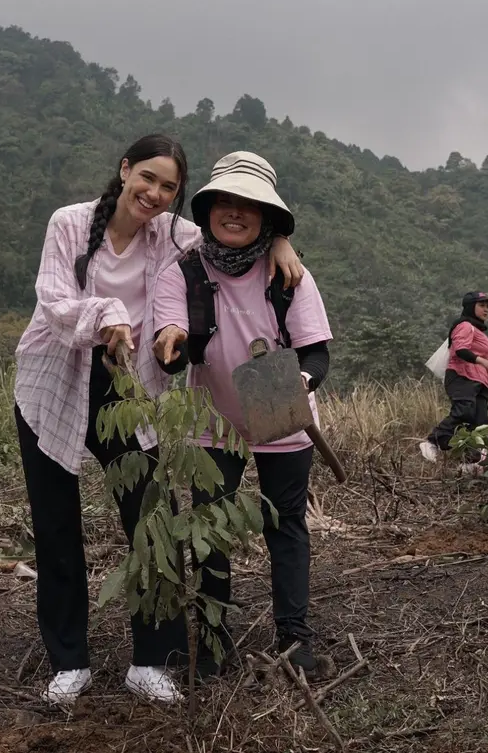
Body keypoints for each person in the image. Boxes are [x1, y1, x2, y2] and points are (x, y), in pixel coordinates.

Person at [14, 135, 304, 705]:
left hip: (133, 394)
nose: (153, 193)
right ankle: (68, 660)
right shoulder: (69, 224)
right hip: (53, 384)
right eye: (146, 177)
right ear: (124, 171)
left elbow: (235, 231)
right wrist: (111, 316)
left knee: (150, 523)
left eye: (168, 186)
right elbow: (53, 299)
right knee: (55, 527)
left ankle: (153, 659)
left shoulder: (175, 234)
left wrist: (283, 242)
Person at [152, 151, 332, 678]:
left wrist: (298, 384)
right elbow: (172, 338)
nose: (235, 212)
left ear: (267, 217)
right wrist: (173, 344)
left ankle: (295, 637)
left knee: (288, 527)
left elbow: (315, 351)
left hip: (283, 418)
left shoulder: (288, 273)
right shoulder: (182, 272)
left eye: (248, 204)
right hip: (216, 424)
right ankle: (213, 639)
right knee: (211, 528)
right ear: (207, 209)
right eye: (224, 201)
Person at [420, 292, 488, 464]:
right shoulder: (464, 325)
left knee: (480, 425)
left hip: (479, 382)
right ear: (471, 306)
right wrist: (482, 360)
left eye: (487, 306)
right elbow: (460, 350)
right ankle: (432, 442)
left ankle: (470, 463)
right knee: (464, 411)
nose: (486, 310)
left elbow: (481, 365)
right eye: (481, 305)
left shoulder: (478, 331)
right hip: (462, 377)